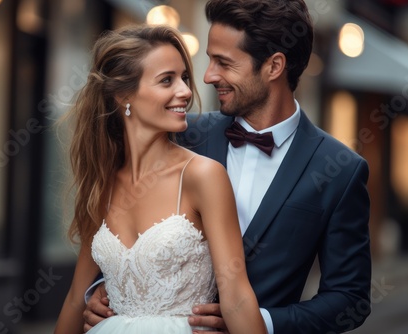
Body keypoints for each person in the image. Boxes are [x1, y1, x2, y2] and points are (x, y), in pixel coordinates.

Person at [83, 1, 372, 333]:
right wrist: (103, 294)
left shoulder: (341, 170)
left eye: (223, 62)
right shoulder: (176, 133)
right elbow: (116, 215)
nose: (207, 76)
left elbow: (350, 298)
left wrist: (261, 322)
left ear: (274, 66)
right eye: (209, 59)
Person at [54, 24, 267, 334]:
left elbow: (236, 293)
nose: (184, 91)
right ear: (123, 95)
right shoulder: (101, 184)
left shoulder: (203, 176)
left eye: (183, 78)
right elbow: (76, 298)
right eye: (167, 80)